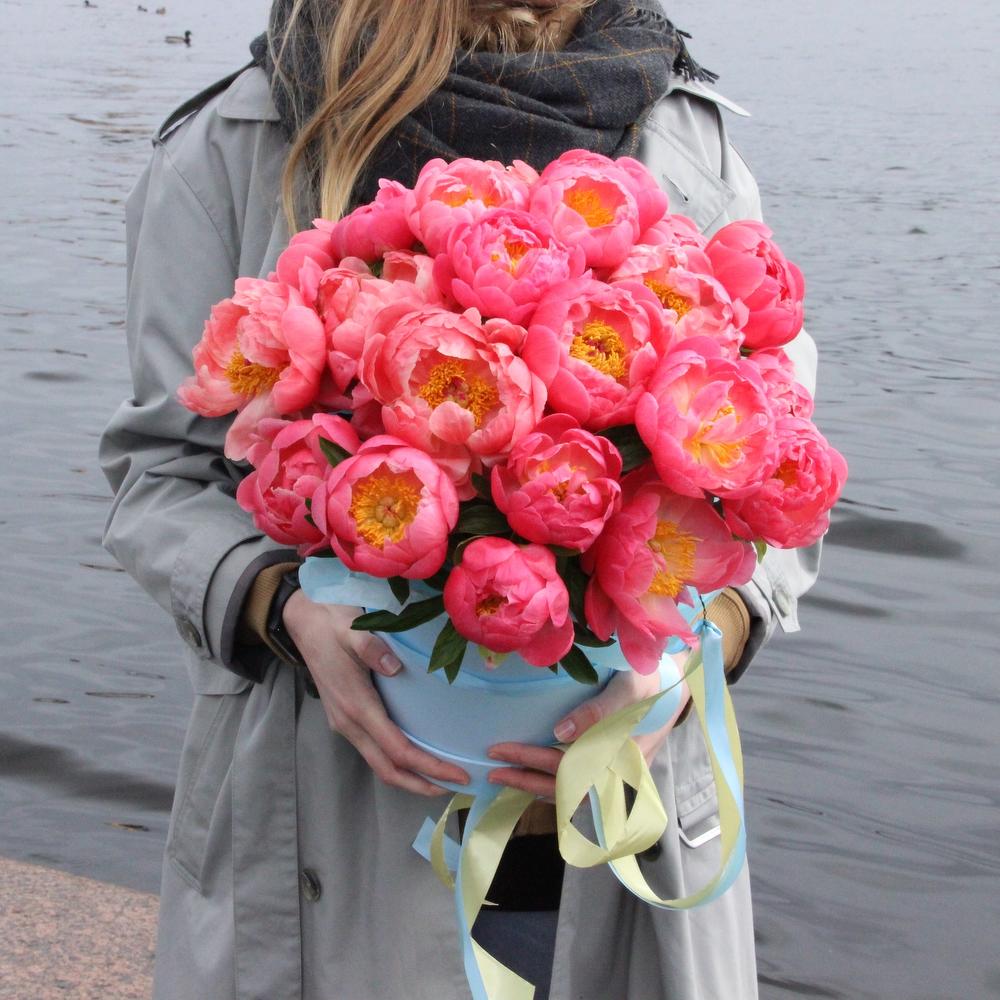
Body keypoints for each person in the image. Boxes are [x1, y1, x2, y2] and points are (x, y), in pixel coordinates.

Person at [100, 1, 821, 997]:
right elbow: (159, 471)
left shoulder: (678, 129)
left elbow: (777, 461)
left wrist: (694, 652)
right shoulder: (241, 140)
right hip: (331, 814)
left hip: (626, 824)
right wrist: (283, 609)